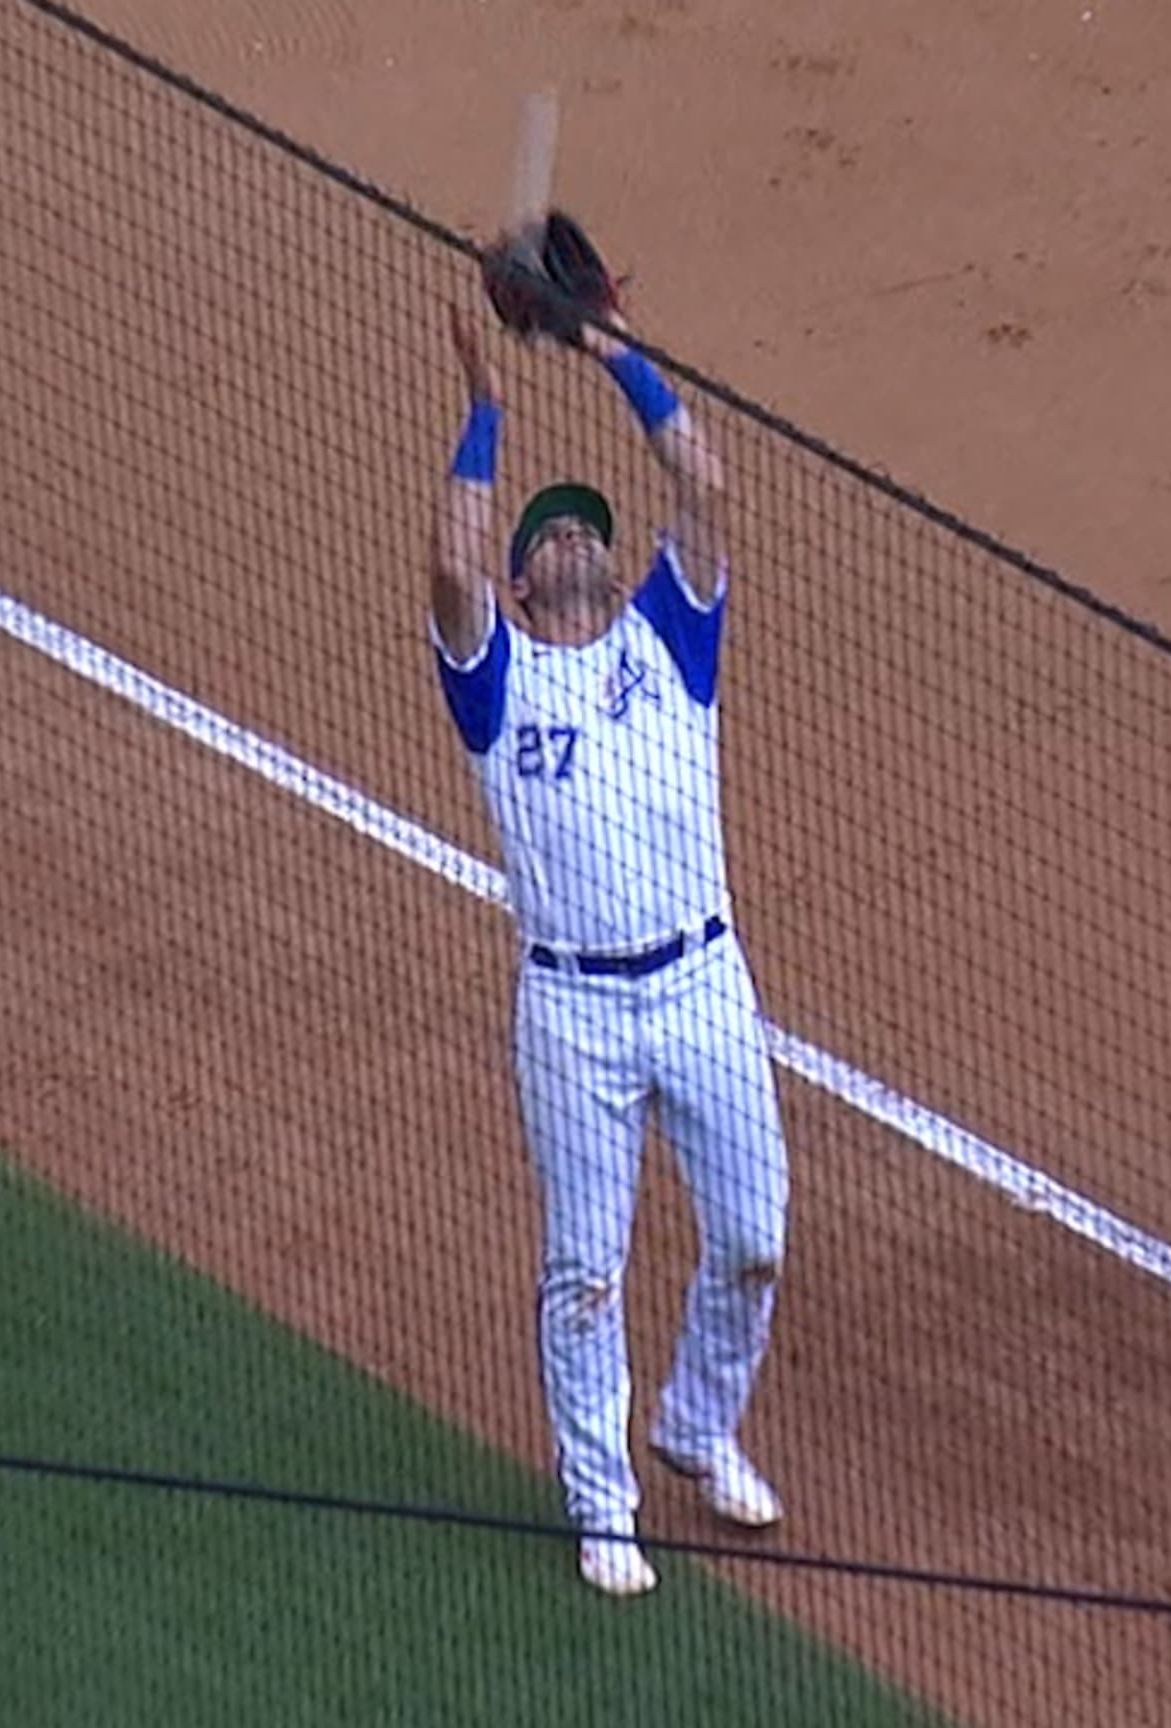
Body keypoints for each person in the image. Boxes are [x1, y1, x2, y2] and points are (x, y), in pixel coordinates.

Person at [427, 299, 792, 1599]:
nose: (573, 534)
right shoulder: (495, 680)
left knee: (753, 1236)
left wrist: (610, 347)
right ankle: (603, 1503)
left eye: (587, 524)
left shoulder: (670, 636)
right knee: (587, 1269)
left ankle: (698, 1426)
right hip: (573, 1018)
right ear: (528, 583)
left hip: (701, 982)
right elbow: (450, 573)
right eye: (551, 532)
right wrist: (485, 417)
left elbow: (708, 480)